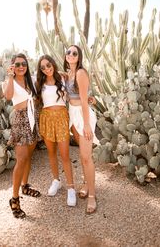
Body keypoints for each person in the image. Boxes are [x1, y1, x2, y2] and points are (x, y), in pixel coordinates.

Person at [2, 53, 41, 219]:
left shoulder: (30, 79)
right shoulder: (9, 81)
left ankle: (25, 185)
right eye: (17, 64)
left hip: (32, 117)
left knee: (29, 155)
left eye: (23, 64)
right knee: (22, 158)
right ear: (12, 66)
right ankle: (15, 198)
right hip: (20, 120)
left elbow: (43, 83)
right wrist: (10, 76)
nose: (20, 67)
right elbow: (8, 96)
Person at [36, 54, 76, 207]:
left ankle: (71, 188)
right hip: (46, 118)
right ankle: (56, 180)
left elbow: (76, 86)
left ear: (53, 64)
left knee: (65, 155)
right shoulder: (39, 83)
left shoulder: (63, 78)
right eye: (43, 67)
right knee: (51, 152)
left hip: (61, 118)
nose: (47, 69)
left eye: (48, 65)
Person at [64, 45, 98, 214]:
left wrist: (86, 124)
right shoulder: (68, 73)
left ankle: (92, 196)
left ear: (79, 56)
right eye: (68, 52)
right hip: (73, 114)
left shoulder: (80, 73)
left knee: (86, 157)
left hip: (82, 116)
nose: (71, 55)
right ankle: (86, 183)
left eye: (74, 53)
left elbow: (84, 101)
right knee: (82, 154)